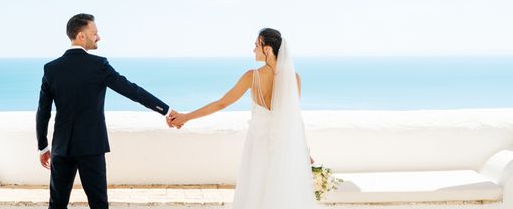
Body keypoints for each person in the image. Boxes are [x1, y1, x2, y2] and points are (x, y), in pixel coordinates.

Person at [36, 13, 176, 209]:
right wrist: (166, 110)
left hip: (62, 147)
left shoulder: (51, 68)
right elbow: (132, 91)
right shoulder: (98, 65)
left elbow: (43, 111)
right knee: (99, 204)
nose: (98, 37)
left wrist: (43, 146)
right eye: (95, 33)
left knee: (57, 204)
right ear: (81, 36)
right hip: (91, 147)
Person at [169, 28, 317, 209]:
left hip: (258, 145)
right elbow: (294, 120)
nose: (253, 49)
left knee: (255, 190)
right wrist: (304, 151)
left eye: (256, 45)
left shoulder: (252, 76)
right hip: (284, 147)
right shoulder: (295, 79)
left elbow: (221, 104)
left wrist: (186, 117)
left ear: (267, 49)